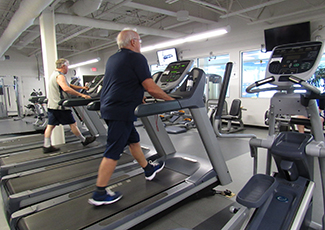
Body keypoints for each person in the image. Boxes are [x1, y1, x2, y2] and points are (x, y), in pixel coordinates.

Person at [88, 29, 174, 206]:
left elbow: (122, 81)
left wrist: (137, 94)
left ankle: (148, 169)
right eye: (140, 41)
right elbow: (150, 87)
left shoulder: (113, 58)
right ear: (133, 42)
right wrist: (172, 100)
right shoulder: (137, 58)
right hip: (120, 110)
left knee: (133, 140)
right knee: (113, 150)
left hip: (111, 107)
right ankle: (99, 193)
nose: (140, 44)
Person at [43, 58, 96, 153]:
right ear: (63, 66)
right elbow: (66, 88)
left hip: (53, 105)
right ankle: (83, 140)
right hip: (61, 106)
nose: (68, 68)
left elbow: (69, 85)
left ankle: (46, 145)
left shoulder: (54, 75)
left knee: (50, 126)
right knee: (73, 124)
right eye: (67, 66)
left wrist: (82, 87)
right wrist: (82, 95)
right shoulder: (60, 76)